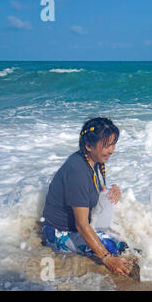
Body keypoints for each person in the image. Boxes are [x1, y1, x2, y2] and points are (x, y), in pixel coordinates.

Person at [41, 117, 131, 276]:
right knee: (117, 250)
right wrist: (107, 259)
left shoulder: (92, 160)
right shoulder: (77, 171)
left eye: (113, 144)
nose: (112, 150)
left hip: (74, 229)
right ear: (88, 146)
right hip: (58, 234)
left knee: (123, 242)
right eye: (106, 145)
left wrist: (113, 189)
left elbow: (93, 190)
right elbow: (81, 225)